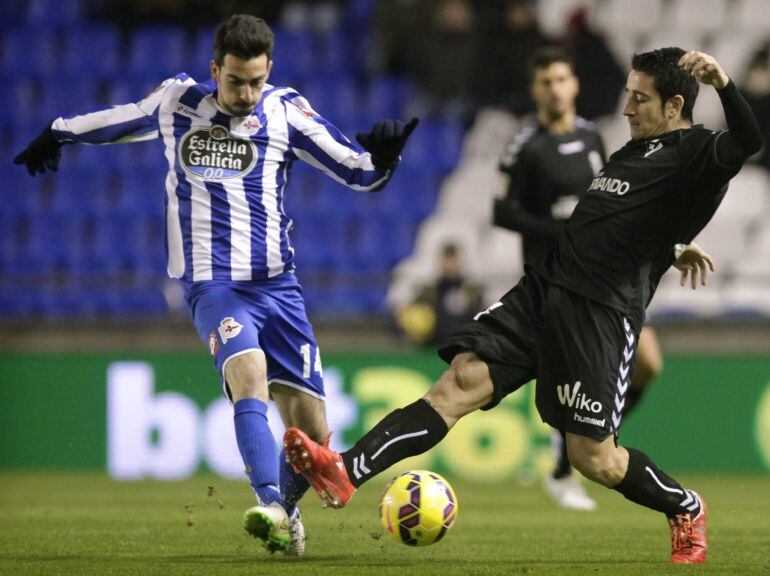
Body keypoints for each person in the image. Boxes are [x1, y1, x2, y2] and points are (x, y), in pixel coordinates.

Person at [283, 48, 762, 564]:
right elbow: (628, 219)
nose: (626, 107)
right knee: (459, 382)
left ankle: (685, 506)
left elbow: (747, 141)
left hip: (599, 313)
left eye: (639, 98)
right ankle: (344, 472)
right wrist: (670, 243)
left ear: (674, 106)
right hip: (544, 290)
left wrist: (724, 84)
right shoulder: (630, 150)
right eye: (627, 94)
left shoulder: (696, 152)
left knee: (593, 458)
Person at [13, 14, 418, 556]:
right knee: (247, 375)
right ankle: (271, 502)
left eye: (255, 80)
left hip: (279, 287)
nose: (245, 93)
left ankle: (285, 514)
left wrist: (386, 159)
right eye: (234, 81)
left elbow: (358, 172)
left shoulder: (285, 110)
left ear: (269, 70)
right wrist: (59, 130)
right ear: (215, 69)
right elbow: (120, 119)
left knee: (313, 433)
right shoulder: (178, 103)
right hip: (214, 287)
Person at [493, 47, 683, 512]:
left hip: (610, 271)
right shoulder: (523, 145)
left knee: (649, 363)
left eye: (562, 79)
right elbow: (502, 211)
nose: (555, 89)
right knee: (570, 378)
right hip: (558, 279)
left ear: (574, 83)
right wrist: (558, 227)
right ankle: (571, 460)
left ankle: (577, 450)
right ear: (535, 89)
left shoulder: (594, 136)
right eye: (546, 82)